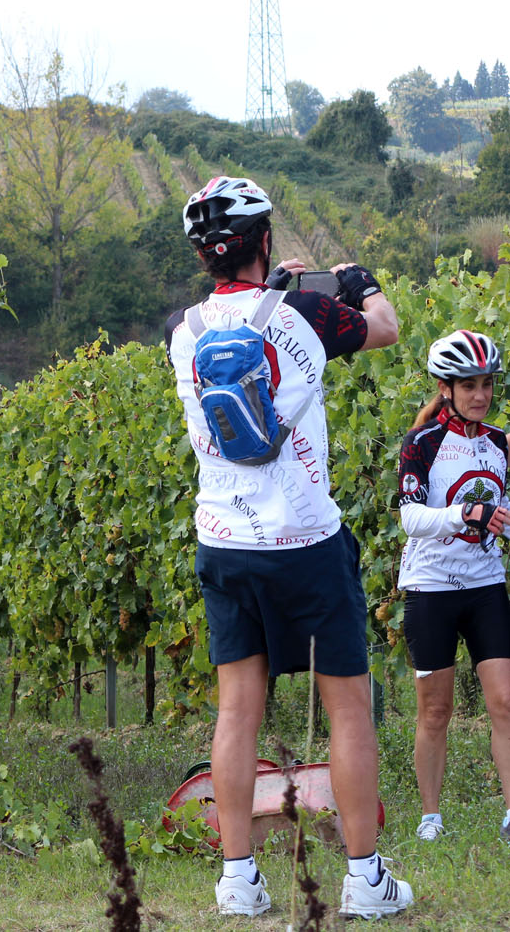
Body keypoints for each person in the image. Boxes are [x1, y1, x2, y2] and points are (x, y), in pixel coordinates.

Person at [165, 176, 411, 919]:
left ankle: (238, 879)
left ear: (205, 255)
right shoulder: (304, 310)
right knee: (348, 707)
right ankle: (365, 880)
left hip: (224, 541)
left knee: (236, 708)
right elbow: (386, 325)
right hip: (304, 538)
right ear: (263, 241)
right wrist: (357, 279)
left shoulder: (183, 329)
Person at [395, 330, 510, 844]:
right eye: (469, 385)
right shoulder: (421, 444)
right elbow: (411, 518)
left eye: (487, 384)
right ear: (446, 387)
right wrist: (467, 512)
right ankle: (431, 816)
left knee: (505, 701)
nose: (480, 395)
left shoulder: (501, 442)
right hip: (431, 588)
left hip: (487, 585)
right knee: (435, 709)